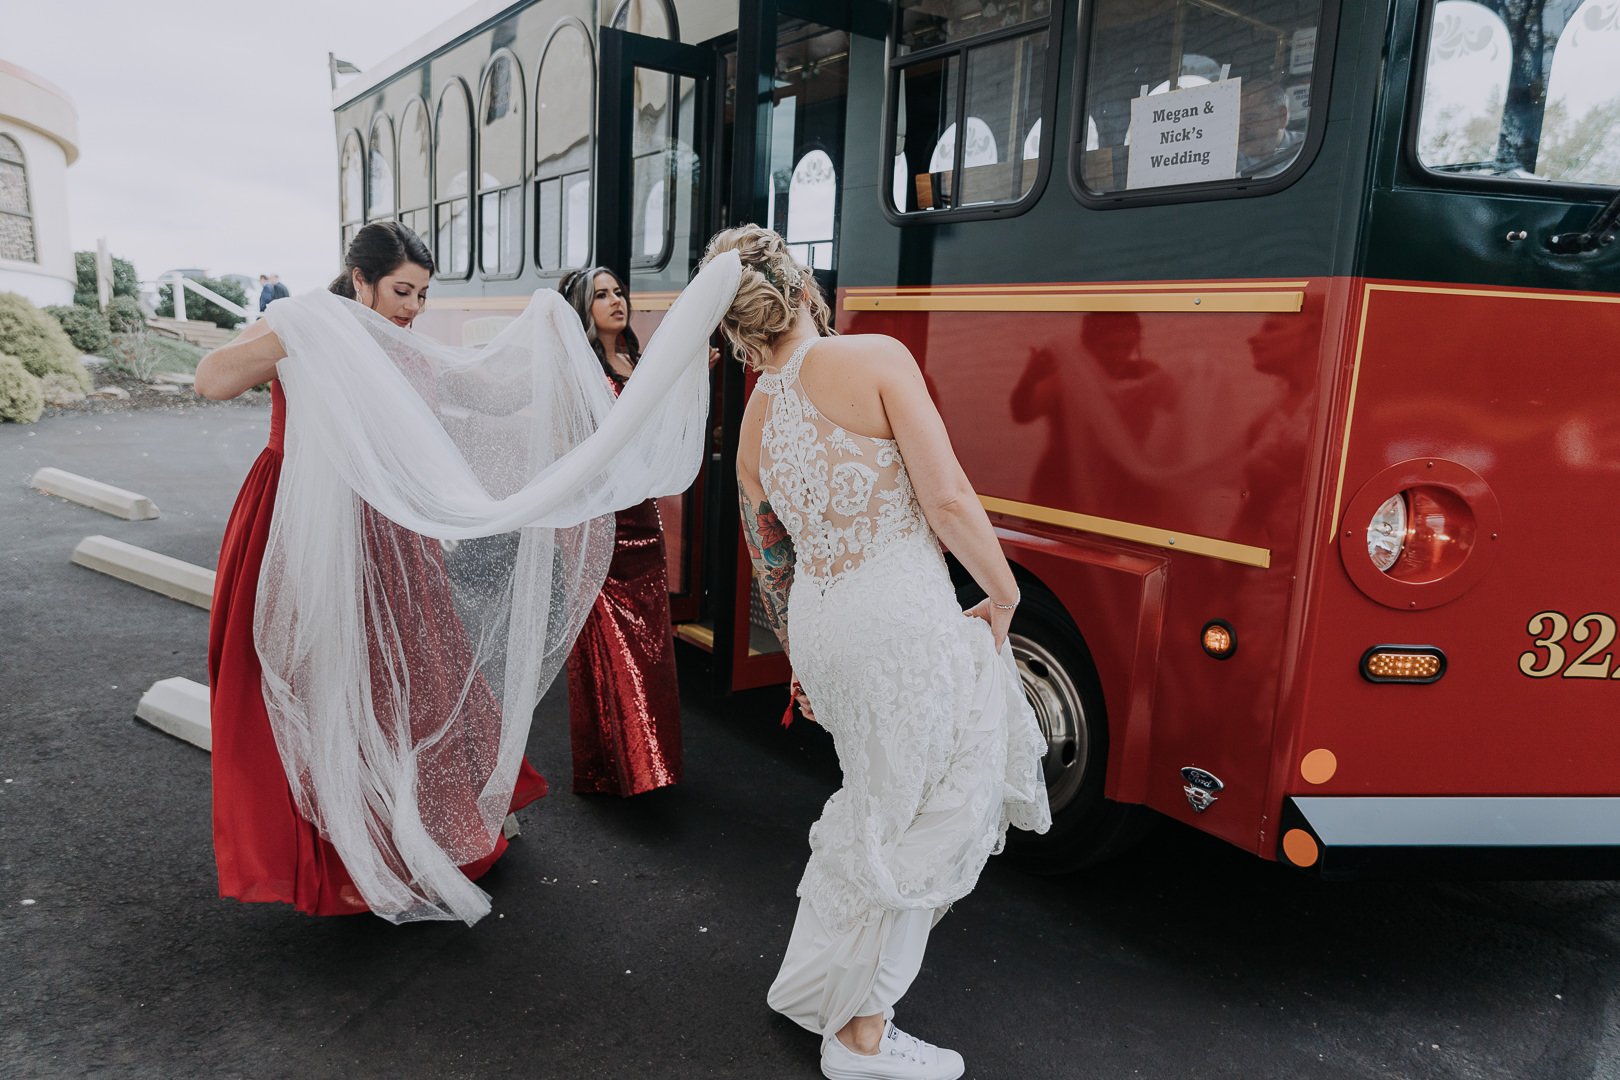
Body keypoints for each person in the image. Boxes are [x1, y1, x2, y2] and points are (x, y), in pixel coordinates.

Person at [706, 225, 1051, 1080]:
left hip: (827, 628)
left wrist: (798, 662)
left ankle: (819, 988)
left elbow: (770, 558)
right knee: (930, 809)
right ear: (802, 283)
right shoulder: (876, 357)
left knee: (878, 799)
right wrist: (1004, 595)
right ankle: (862, 1032)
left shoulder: (753, 418)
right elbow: (948, 497)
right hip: (900, 617)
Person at [196, 221, 547, 917]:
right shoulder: (309, 322)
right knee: (317, 674)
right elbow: (211, 381)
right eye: (401, 291)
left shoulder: (403, 345)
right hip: (297, 520)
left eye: (421, 293)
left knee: (413, 678)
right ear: (359, 279)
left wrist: (548, 349)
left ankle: (420, 833)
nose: (413, 308)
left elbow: (480, 397)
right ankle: (334, 849)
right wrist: (302, 331)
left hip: (385, 527)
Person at [556, 265, 682, 796]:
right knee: (611, 646)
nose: (614, 301)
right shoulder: (577, 370)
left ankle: (652, 759)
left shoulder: (634, 360)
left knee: (650, 643)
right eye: (600, 295)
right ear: (584, 310)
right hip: (601, 522)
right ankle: (621, 769)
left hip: (642, 517)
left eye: (618, 292)